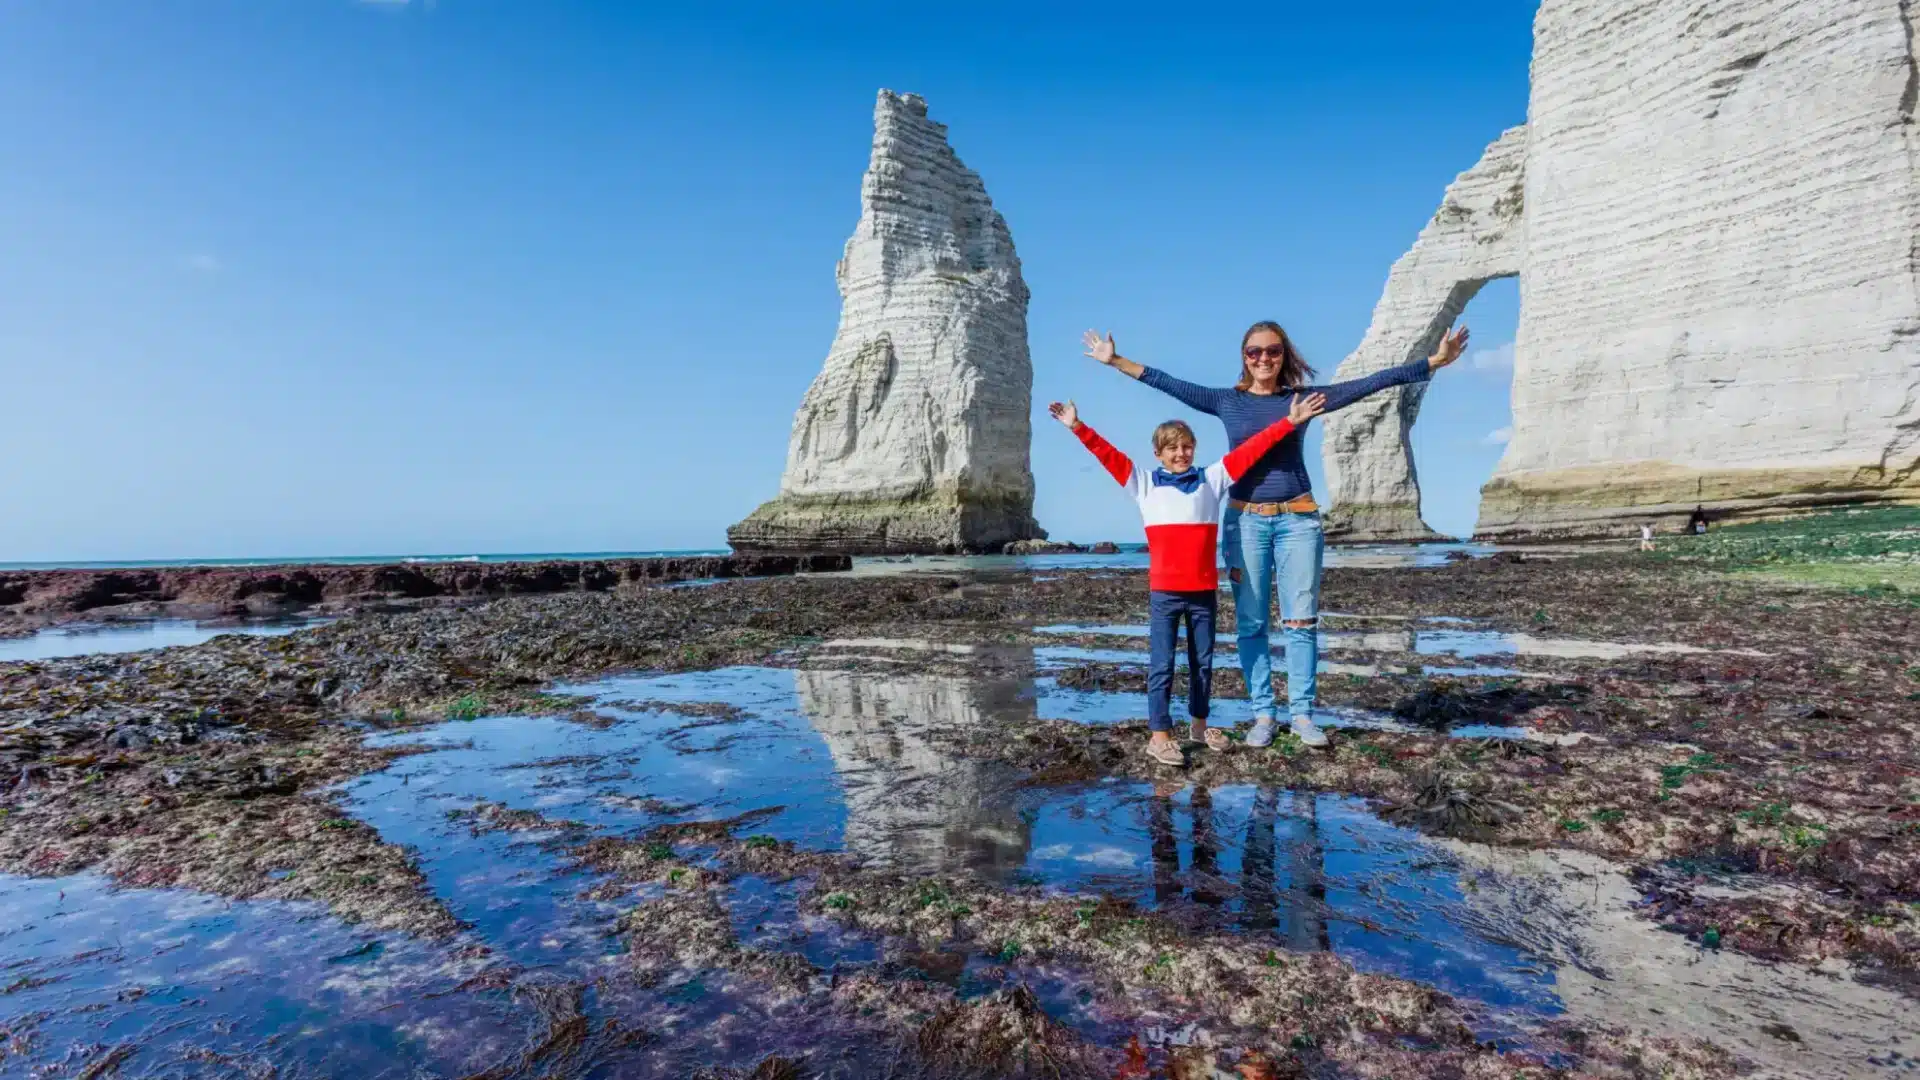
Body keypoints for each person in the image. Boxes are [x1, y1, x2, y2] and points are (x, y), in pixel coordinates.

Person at [1083, 322, 1468, 749]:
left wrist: (1431, 362)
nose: (1263, 359)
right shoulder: (1226, 401)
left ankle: (1302, 715)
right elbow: (1167, 383)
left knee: (1300, 621)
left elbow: (1369, 384)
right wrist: (1114, 360)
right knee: (1251, 623)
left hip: (1298, 520)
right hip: (1244, 520)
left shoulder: (1302, 399)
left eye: (1273, 352)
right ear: (1244, 356)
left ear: (1284, 356)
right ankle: (1263, 714)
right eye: (1254, 352)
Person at [1049, 391, 1327, 767]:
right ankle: (1159, 736)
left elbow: (1252, 449)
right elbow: (1108, 456)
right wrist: (1077, 426)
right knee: (1162, 664)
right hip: (1165, 594)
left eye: (1187, 446)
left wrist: (1288, 423)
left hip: (1203, 594)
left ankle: (1198, 727)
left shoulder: (1212, 480)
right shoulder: (1144, 484)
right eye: (1172, 448)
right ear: (1158, 453)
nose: (1181, 454)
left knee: (1203, 664)